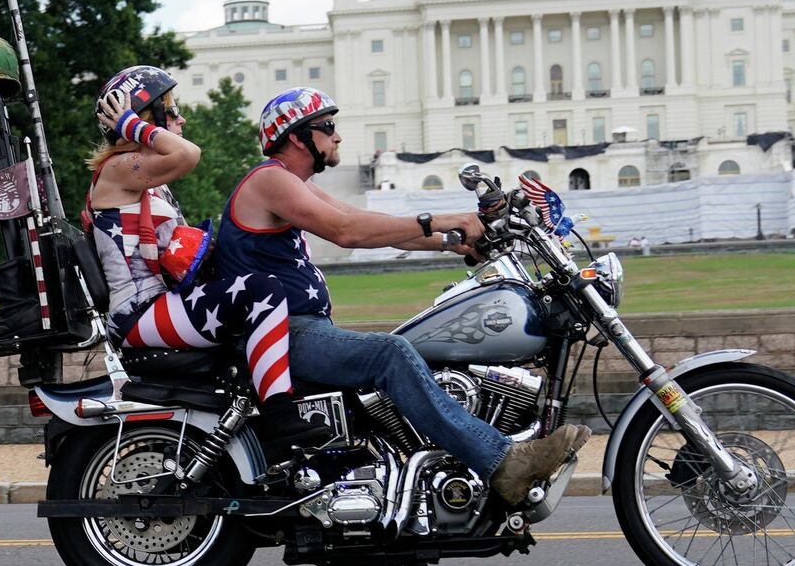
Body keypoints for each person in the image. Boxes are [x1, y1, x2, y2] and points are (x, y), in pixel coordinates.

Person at [215, 87, 589, 504]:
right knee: (391, 353)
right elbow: (347, 232)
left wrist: (453, 241)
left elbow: (366, 220)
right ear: (298, 137)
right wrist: (447, 220)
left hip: (301, 330)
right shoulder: (270, 179)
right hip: (285, 336)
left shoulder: (292, 184)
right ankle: (501, 461)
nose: (337, 137)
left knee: (410, 349)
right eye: (328, 128)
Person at [84, 65, 328, 447]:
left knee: (250, 284)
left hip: (160, 304)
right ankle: (281, 418)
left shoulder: (147, 179)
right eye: (172, 110)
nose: (181, 119)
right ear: (148, 118)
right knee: (260, 291)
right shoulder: (117, 170)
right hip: (139, 312)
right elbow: (188, 154)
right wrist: (132, 124)